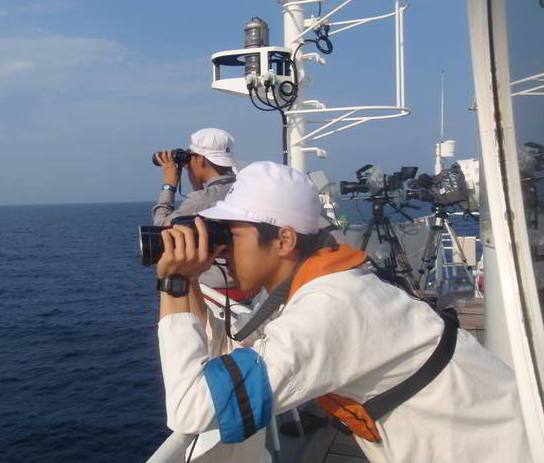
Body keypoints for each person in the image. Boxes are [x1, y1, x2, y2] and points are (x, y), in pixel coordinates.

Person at [155, 161, 532, 463]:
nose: (220, 251)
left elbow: (193, 408)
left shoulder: (329, 308)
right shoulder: (336, 284)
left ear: (284, 239)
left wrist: (173, 283)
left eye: (231, 236)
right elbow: (231, 358)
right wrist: (189, 282)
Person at [152, 128, 237, 289]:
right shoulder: (243, 186)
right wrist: (196, 184)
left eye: (191, 156)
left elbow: (161, 230)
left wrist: (168, 185)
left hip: (212, 289)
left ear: (201, 159)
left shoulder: (200, 199)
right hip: (245, 286)